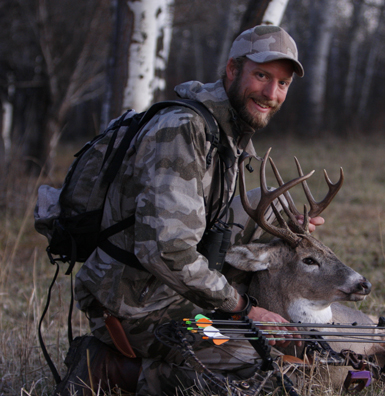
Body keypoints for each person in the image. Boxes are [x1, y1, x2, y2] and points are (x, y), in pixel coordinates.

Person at [73, 25, 319, 394]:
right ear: (233, 70)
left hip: (169, 291)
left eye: (282, 83)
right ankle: (114, 371)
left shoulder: (225, 132)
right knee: (254, 361)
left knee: (277, 212)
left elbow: (207, 223)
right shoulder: (183, 132)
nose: (271, 93)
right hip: (138, 309)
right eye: (262, 76)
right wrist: (242, 308)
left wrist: (282, 226)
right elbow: (165, 249)